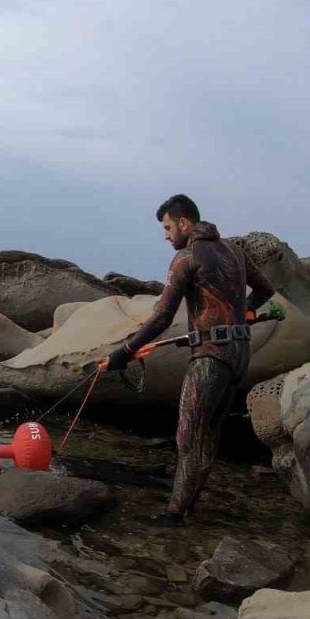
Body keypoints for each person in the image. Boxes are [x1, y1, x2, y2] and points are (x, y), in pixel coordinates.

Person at [103, 194, 275, 528]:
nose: (166, 235)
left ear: (184, 223)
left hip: (210, 357)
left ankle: (174, 515)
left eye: (168, 227)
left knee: (188, 436)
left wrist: (123, 353)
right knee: (207, 435)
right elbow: (266, 288)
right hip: (240, 355)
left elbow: (161, 318)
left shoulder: (188, 257)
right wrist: (243, 313)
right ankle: (187, 506)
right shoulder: (235, 252)